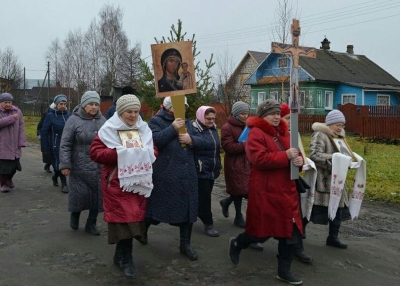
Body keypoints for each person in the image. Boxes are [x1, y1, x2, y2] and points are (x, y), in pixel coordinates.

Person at [229, 99, 304, 285]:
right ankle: (238, 243)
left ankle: (284, 271)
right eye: (272, 113)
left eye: (278, 113)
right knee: (260, 232)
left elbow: (295, 153)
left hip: (288, 191)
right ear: (263, 115)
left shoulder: (285, 133)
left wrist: (299, 161)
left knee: (290, 232)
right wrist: (285, 156)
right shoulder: (255, 133)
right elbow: (259, 159)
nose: (277, 117)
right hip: (266, 192)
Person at [90, 94, 155, 278]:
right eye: (129, 112)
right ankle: (126, 259)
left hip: (137, 183)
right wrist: (120, 153)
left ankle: (121, 256)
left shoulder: (143, 129)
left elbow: (153, 150)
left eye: (136, 111)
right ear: (120, 112)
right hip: (116, 183)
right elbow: (95, 153)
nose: (133, 115)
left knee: (133, 220)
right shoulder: (108, 130)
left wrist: (142, 153)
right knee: (125, 222)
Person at [146, 96, 205, 261]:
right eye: (179, 106)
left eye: (184, 107)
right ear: (168, 107)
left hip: (187, 175)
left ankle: (185, 244)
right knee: (156, 208)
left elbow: (205, 141)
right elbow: (155, 141)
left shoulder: (190, 123)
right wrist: (173, 128)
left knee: (188, 210)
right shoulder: (156, 121)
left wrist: (191, 139)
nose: (183, 110)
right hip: (165, 173)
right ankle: (143, 230)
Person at [59, 91, 106, 236]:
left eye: (96, 104)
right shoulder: (73, 120)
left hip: (98, 166)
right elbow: (65, 144)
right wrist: (65, 165)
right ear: (84, 105)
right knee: (79, 195)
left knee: (97, 197)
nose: (94, 107)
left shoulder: (103, 121)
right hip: (78, 166)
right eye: (91, 104)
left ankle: (91, 224)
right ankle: (75, 215)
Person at [220, 101, 263, 251]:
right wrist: (246, 144)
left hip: (248, 162)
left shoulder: (249, 126)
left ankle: (227, 202)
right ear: (236, 114)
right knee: (239, 189)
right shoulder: (227, 127)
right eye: (243, 114)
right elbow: (228, 147)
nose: (246, 116)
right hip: (235, 163)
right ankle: (238, 215)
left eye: (247, 113)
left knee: (247, 190)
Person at [309, 109, 350, 249]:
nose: (340, 128)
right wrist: (335, 160)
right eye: (337, 125)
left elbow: (345, 155)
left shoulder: (340, 137)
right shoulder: (320, 134)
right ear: (330, 123)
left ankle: (333, 237)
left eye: (342, 125)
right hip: (323, 179)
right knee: (312, 210)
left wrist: (350, 160)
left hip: (338, 180)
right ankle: (297, 235)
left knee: (338, 209)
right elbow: (314, 154)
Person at [281, 104, 313, 264]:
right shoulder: (271, 136)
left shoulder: (292, 135)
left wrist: (300, 161)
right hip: (276, 185)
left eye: (291, 119)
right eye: (287, 118)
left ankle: (297, 248)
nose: (289, 122)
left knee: (296, 216)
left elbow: (299, 155)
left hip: (291, 183)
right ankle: (247, 240)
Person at [192, 106, 222, 237]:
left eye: (213, 118)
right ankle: (208, 223)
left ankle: (194, 213)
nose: (211, 121)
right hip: (200, 169)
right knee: (205, 197)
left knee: (204, 195)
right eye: (208, 118)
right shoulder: (194, 129)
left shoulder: (213, 129)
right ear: (200, 116)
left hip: (212, 168)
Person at [40, 94, 71, 193]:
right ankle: (64, 184)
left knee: (65, 164)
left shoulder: (69, 115)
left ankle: (55, 176)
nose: (63, 106)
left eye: (64, 104)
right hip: (55, 144)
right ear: (56, 104)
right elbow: (44, 132)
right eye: (61, 104)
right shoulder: (50, 116)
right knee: (58, 164)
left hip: (67, 144)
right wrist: (44, 147)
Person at [0, 93, 26, 193]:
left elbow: (21, 128)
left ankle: (9, 178)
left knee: (15, 166)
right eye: (5, 102)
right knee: (4, 167)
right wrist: (11, 119)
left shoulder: (17, 111)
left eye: (9, 102)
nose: (7, 104)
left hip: (15, 144)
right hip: (2, 144)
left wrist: (21, 141)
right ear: (1, 103)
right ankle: (4, 184)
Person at [37, 103, 56, 173]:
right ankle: (48, 164)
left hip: (56, 134)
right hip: (48, 134)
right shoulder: (47, 113)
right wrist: (39, 134)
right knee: (49, 151)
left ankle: (54, 166)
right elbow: (40, 124)